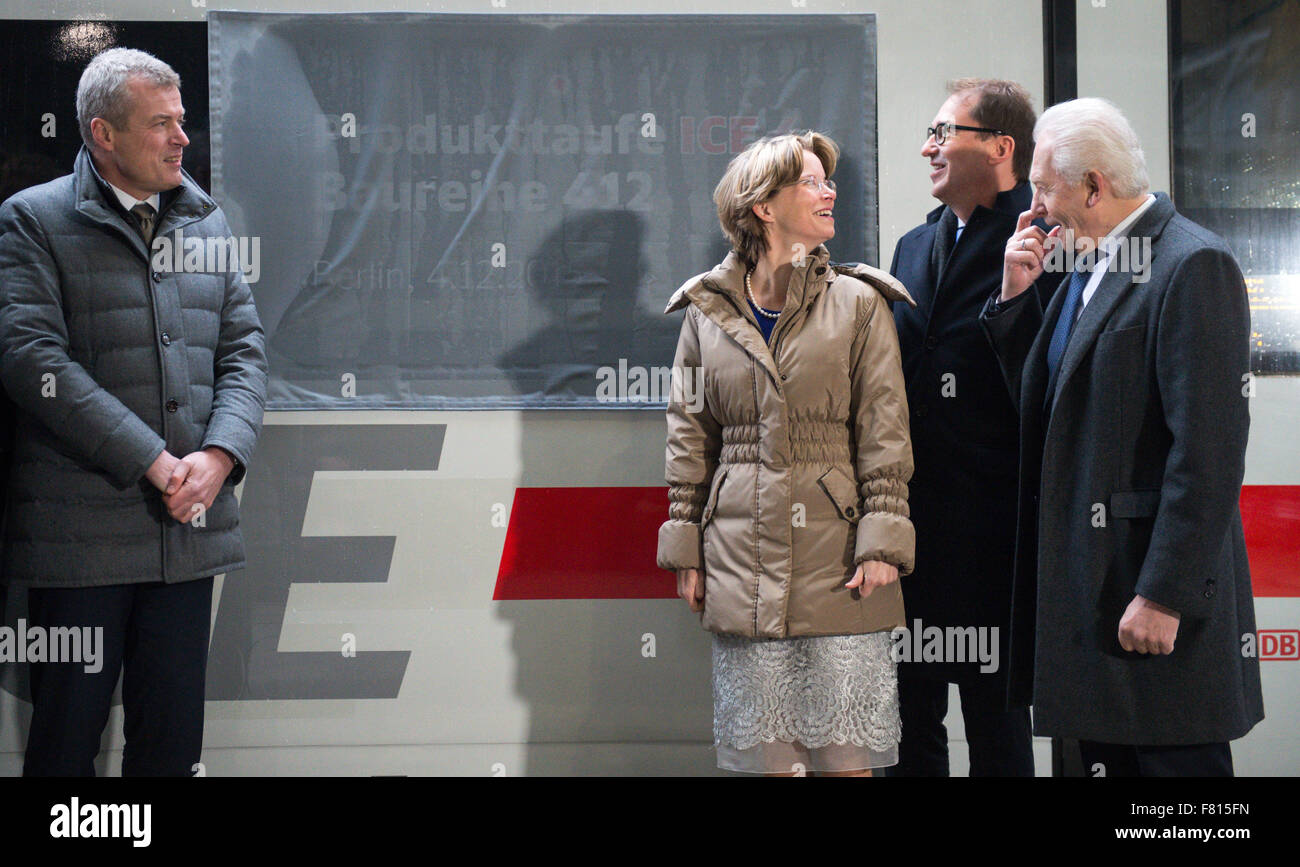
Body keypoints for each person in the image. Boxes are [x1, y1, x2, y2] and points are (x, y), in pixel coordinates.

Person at [0, 47, 267, 776]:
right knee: (63, 746)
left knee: (171, 749)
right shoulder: (33, 221)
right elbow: (32, 359)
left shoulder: (210, 226)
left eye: (182, 121)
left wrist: (218, 459)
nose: (184, 138)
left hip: (187, 535)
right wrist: (156, 461)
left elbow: (245, 353)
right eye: (162, 124)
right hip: (80, 542)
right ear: (103, 134)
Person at [981, 97, 1264, 776]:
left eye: (1045, 188)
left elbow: (1208, 451)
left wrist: (1164, 593)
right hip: (1089, 609)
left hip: (1149, 608)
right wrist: (1018, 297)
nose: (1038, 207)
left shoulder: (1191, 264)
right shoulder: (1086, 264)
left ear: (1093, 186)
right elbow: (1061, 405)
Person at [656, 131, 916, 776]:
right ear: (763, 206)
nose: (830, 191)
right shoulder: (706, 312)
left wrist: (883, 542)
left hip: (841, 559)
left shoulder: (860, 303)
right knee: (773, 761)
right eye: (810, 181)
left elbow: (885, 429)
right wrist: (685, 545)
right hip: (741, 559)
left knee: (844, 757)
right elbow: (690, 435)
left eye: (829, 180)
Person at [887, 79, 1061, 776]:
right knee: (905, 719)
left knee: (996, 725)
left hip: (997, 535)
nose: (927, 146)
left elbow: (1054, 377)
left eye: (942, 132)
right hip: (911, 532)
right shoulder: (911, 245)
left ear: (999, 147)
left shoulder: (1050, 237)